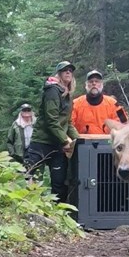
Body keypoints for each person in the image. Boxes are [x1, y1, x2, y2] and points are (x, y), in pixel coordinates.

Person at [25, 60, 80, 203]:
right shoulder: (52, 91)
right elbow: (51, 121)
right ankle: (31, 210)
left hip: (57, 146)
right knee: (33, 179)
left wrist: (79, 140)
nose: (68, 72)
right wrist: (65, 140)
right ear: (59, 74)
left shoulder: (68, 95)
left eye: (70, 70)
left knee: (59, 183)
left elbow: (67, 122)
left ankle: (58, 215)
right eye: (64, 70)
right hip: (41, 143)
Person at [72, 69, 128, 134]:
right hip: (83, 142)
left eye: (97, 81)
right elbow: (69, 124)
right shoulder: (76, 104)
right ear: (86, 85)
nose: (94, 83)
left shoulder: (113, 103)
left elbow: (124, 123)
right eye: (91, 81)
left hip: (107, 142)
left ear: (102, 84)